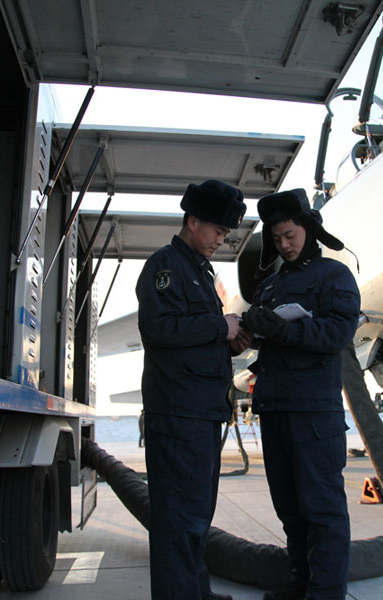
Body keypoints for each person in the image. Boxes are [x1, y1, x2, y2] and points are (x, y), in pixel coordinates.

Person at [240, 189, 360, 600]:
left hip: (313, 414)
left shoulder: (335, 277)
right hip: (274, 408)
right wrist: (252, 328)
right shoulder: (272, 284)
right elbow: (267, 339)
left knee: (322, 509)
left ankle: (326, 593)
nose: (284, 245)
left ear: (308, 230)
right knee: (290, 508)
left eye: (290, 235)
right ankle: (301, 582)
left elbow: (339, 333)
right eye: (276, 239)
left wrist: (285, 329)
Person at [136, 179, 250, 600]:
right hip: (178, 414)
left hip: (200, 413)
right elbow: (159, 328)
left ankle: (195, 592)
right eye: (218, 231)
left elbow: (194, 336)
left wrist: (230, 339)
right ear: (193, 220)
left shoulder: (198, 270)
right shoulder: (166, 266)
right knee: (178, 520)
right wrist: (221, 325)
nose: (222, 239)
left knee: (197, 515)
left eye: (226, 233)